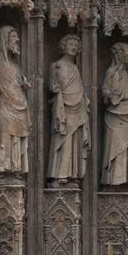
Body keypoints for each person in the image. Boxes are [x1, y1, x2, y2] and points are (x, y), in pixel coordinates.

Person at [47, 34, 90, 187]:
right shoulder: (56, 66)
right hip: (63, 108)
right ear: (63, 46)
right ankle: (58, 175)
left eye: (75, 44)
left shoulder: (76, 69)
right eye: (70, 44)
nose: (73, 47)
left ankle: (72, 174)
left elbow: (78, 88)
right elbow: (51, 85)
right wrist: (54, 88)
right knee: (63, 139)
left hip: (77, 107)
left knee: (74, 142)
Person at [0, 25, 31, 177]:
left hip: (19, 103)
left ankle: (15, 168)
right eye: (14, 37)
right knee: (5, 135)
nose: (17, 40)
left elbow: (16, 82)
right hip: (5, 103)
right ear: (5, 39)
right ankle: (3, 168)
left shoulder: (15, 64)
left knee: (18, 138)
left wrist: (24, 85)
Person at [101, 42, 128, 186]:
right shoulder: (111, 73)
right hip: (115, 117)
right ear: (121, 54)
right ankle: (113, 180)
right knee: (115, 147)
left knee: (126, 147)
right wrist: (111, 96)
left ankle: (124, 178)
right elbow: (104, 90)